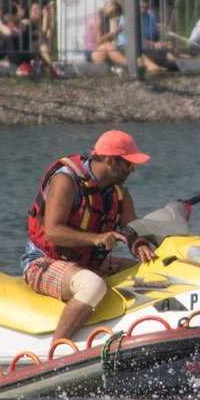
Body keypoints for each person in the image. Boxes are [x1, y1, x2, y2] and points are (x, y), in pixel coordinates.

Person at [20, 130, 158, 344]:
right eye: (128, 164)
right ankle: (56, 352)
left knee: (150, 275)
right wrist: (95, 238)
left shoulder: (119, 193)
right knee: (93, 285)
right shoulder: (66, 181)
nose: (133, 170)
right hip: (43, 262)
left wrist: (139, 244)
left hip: (87, 262)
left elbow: (131, 231)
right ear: (111, 161)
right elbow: (53, 232)